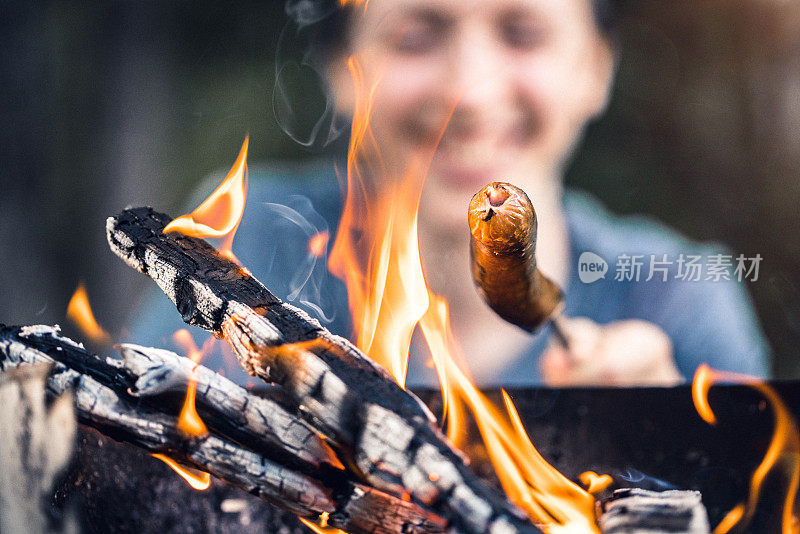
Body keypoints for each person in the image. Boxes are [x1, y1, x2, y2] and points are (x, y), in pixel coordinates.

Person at [129, 0, 769, 387]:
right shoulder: (245, 247)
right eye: (415, 36)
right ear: (341, 71)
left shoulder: (678, 297)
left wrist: (666, 447)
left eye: (523, 32)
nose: (471, 90)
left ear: (596, 68)